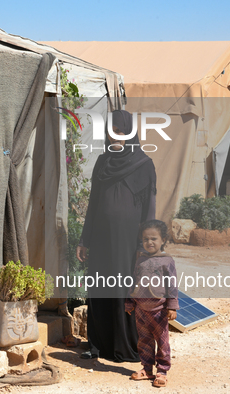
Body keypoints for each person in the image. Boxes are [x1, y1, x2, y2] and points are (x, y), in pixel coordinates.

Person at [76, 110, 157, 362]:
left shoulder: (144, 165)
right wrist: (84, 240)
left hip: (127, 242)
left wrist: (146, 247)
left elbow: (149, 209)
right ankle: (98, 345)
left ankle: (125, 347)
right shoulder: (102, 162)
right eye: (112, 132)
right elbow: (93, 204)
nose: (115, 137)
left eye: (121, 132)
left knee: (124, 290)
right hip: (100, 239)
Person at [125, 219, 178, 388]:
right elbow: (133, 282)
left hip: (159, 310)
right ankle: (147, 369)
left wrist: (172, 306)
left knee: (162, 342)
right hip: (141, 309)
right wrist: (129, 302)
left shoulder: (167, 261)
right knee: (144, 341)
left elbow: (172, 285)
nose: (149, 242)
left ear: (163, 240)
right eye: (146, 239)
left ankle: (162, 371)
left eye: (154, 238)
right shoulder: (140, 260)